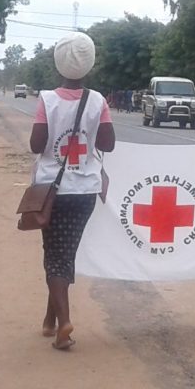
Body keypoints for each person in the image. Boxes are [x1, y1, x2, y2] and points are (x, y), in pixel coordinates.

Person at [29, 32, 116, 351]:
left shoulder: (47, 100)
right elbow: (107, 144)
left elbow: (36, 145)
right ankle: (50, 319)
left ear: (57, 65)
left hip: (53, 189)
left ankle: (64, 321)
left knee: (55, 255)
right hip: (85, 191)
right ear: (89, 65)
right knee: (65, 252)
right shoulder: (98, 101)